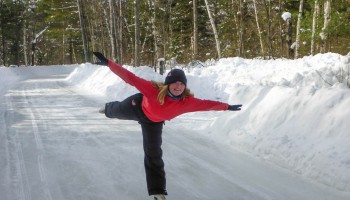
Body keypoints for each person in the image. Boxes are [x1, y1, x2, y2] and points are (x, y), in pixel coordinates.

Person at [93, 52, 242, 200]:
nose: (178, 86)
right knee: (116, 110)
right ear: (167, 84)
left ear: (185, 86)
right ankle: (107, 109)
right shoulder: (153, 91)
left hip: (154, 123)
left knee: (153, 153)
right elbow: (130, 78)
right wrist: (109, 64)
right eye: (175, 83)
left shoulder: (187, 102)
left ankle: (158, 191)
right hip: (136, 107)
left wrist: (226, 106)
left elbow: (207, 104)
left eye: (182, 83)